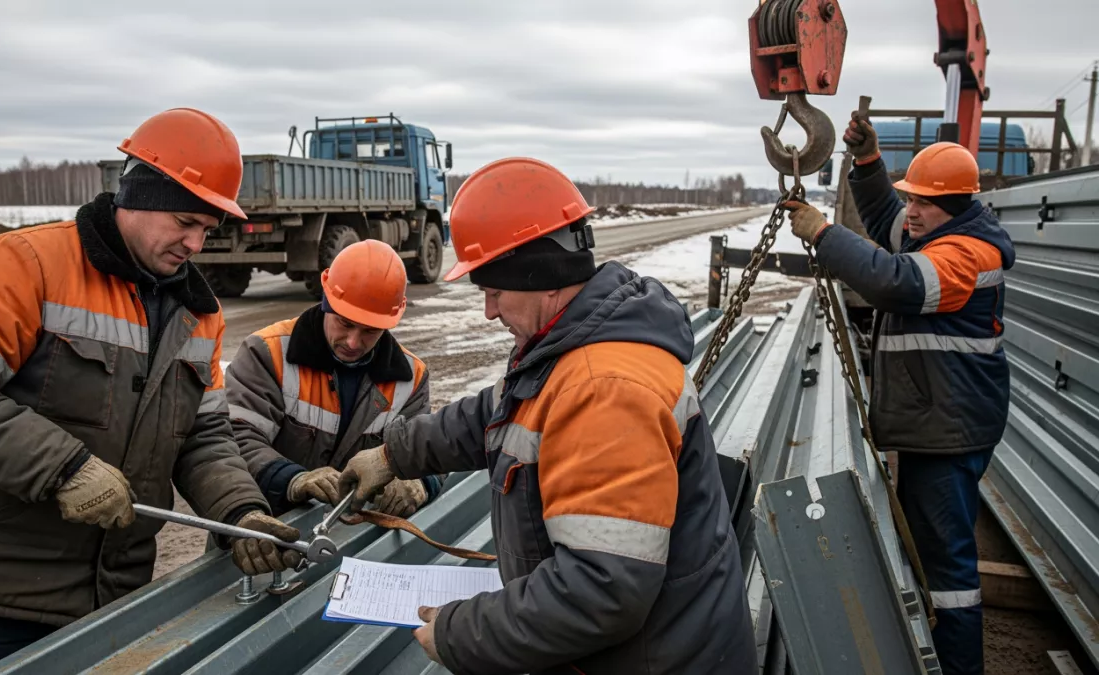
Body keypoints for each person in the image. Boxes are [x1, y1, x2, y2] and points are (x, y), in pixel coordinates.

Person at [0, 108, 305, 675]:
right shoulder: (27, 264)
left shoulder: (198, 314)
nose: (195, 243)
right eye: (186, 221)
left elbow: (204, 436)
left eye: (208, 230)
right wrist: (64, 468)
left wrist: (241, 512)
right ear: (137, 195)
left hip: (115, 595)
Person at [336, 157, 757, 675]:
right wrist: (394, 453)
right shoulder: (571, 343)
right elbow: (497, 413)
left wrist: (460, 631)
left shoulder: (603, 388)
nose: (489, 311)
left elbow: (602, 591)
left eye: (495, 292)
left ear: (543, 276)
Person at [783, 113, 1015, 675]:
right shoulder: (937, 231)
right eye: (910, 199)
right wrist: (867, 165)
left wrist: (822, 232)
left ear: (955, 208)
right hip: (939, 418)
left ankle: (959, 664)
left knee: (946, 568)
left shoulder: (965, 255)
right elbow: (889, 220)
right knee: (932, 545)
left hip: (948, 427)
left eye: (922, 203)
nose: (909, 212)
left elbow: (895, 281)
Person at [226, 239, 440, 518]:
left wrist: (420, 484)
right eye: (345, 323)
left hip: (351, 539)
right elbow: (232, 440)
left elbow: (428, 452)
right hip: (264, 527)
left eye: (370, 331)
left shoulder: (410, 378)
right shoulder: (267, 353)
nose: (353, 342)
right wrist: (292, 479)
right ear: (326, 302)